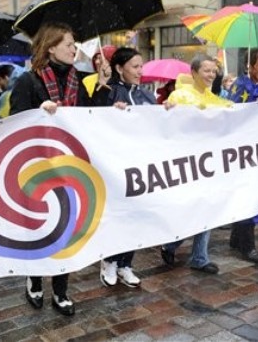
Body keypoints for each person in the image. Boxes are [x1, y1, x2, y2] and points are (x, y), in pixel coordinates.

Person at [9, 22, 79, 316]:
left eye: (74, 45)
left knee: (66, 229)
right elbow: (14, 122)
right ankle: (35, 279)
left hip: (70, 166)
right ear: (51, 47)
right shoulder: (29, 81)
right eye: (69, 44)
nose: (74, 49)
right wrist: (39, 112)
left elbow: (89, 120)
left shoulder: (79, 80)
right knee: (39, 227)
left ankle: (61, 290)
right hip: (36, 168)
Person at [160, 54, 232, 274]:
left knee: (206, 209)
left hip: (209, 165)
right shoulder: (179, 95)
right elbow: (167, 123)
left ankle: (199, 256)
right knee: (190, 210)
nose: (211, 75)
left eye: (214, 71)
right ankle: (170, 244)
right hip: (185, 164)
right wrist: (167, 109)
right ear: (194, 73)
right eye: (206, 70)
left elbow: (239, 113)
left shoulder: (216, 100)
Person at [95, 47, 155, 288]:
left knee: (136, 215)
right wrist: (111, 113)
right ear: (120, 69)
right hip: (116, 167)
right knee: (118, 215)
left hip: (141, 166)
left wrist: (168, 112)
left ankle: (126, 264)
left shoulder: (147, 95)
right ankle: (109, 261)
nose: (140, 71)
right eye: (134, 66)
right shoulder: (111, 94)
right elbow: (94, 121)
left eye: (142, 66)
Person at [226, 49, 258, 264]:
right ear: (251, 66)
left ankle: (237, 237)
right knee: (247, 195)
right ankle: (248, 245)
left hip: (257, 150)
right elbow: (233, 111)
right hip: (241, 150)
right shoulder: (242, 85)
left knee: (251, 192)